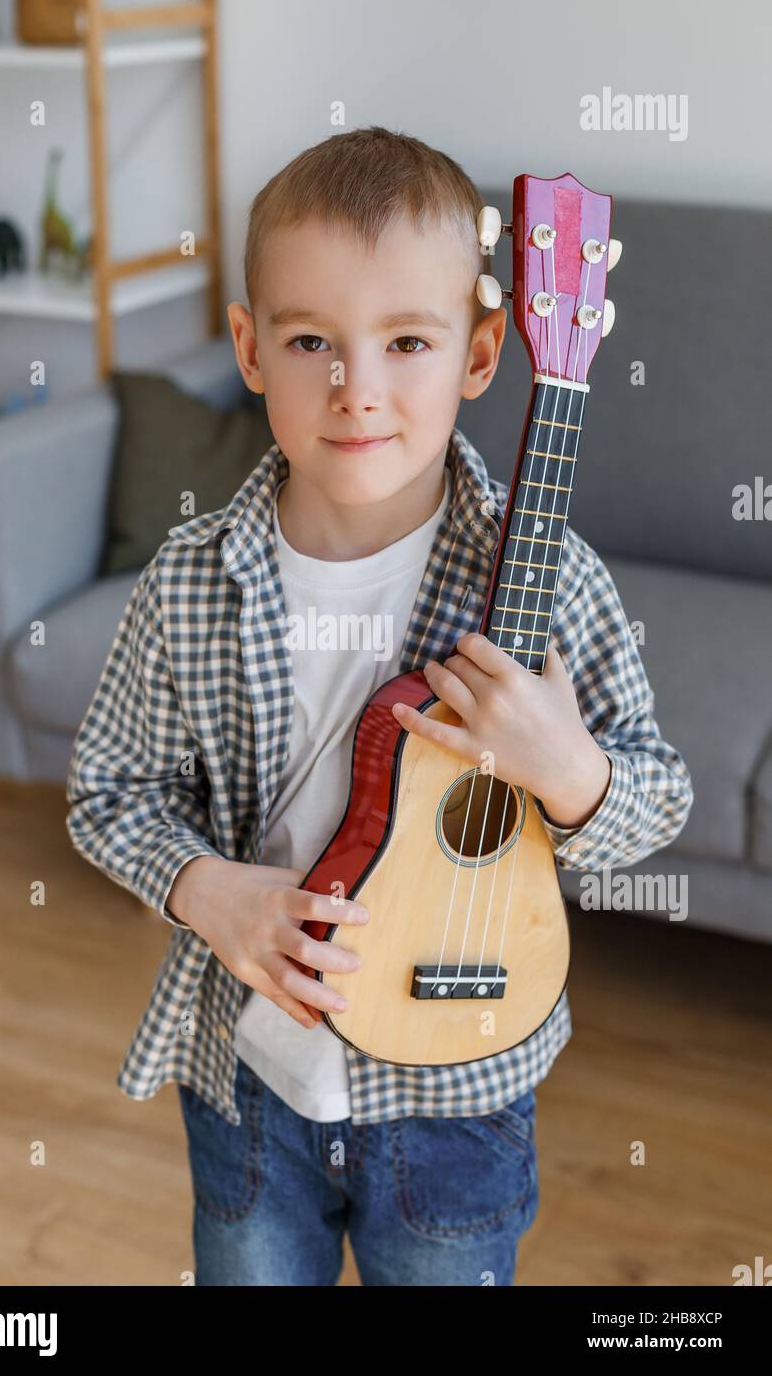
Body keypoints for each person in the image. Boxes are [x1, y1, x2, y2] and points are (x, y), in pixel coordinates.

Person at [66, 126, 693, 1286]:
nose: (357, 390)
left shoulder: (550, 581)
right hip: (252, 1074)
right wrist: (212, 893)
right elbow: (108, 792)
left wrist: (568, 770)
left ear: (482, 348)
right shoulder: (191, 581)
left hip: (461, 1090)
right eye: (312, 341)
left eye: (407, 339)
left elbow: (657, 800)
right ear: (249, 349)